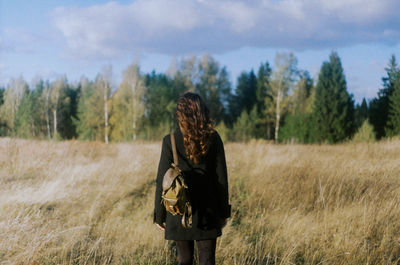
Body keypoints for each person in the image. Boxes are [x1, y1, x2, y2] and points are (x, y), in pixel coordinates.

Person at [153, 92, 231, 265]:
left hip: (179, 210)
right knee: (207, 259)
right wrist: (224, 212)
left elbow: (162, 181)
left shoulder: (170, 140)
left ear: (180, 114)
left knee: (185, 260)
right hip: (209, 211)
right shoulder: (214, 138)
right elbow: (222, 179)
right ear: (202, 112)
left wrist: (159, 216)